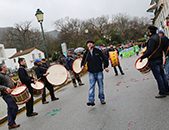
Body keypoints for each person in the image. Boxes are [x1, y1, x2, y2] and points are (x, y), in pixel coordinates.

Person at [140, 26, 169, 98]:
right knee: (163, 75)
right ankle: (167, 90)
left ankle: (162, 92)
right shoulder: (159, 38)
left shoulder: (152, 39)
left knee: (158, 76)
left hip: (154, 60)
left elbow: (150, 50)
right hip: (160, 58)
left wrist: (142, 57)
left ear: (150, 31)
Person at [81, 40, 109, 106]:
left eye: (90, 43)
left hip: (99, 71)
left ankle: (102, 99)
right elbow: (83, 61)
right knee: (91, 86)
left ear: (93, 44)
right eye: (88, 44)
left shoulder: (98, 51)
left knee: (100, 86)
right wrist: (82, 66)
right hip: (91, 72)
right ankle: (91, 100)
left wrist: (106, 66)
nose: (89, 45)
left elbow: (105, 58)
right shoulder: (86, 53)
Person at [0, 64, 20, 129]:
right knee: (14, 107)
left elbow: (10, 84)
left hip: (10, 93)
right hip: (6, 94)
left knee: (10, 109)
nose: (7, 67)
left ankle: (10, 124)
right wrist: (5, 88)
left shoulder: (6, 75)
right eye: (5, 66)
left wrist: (16, 83)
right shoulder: (0, 75)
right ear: (2, 68)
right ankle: (11, 122)